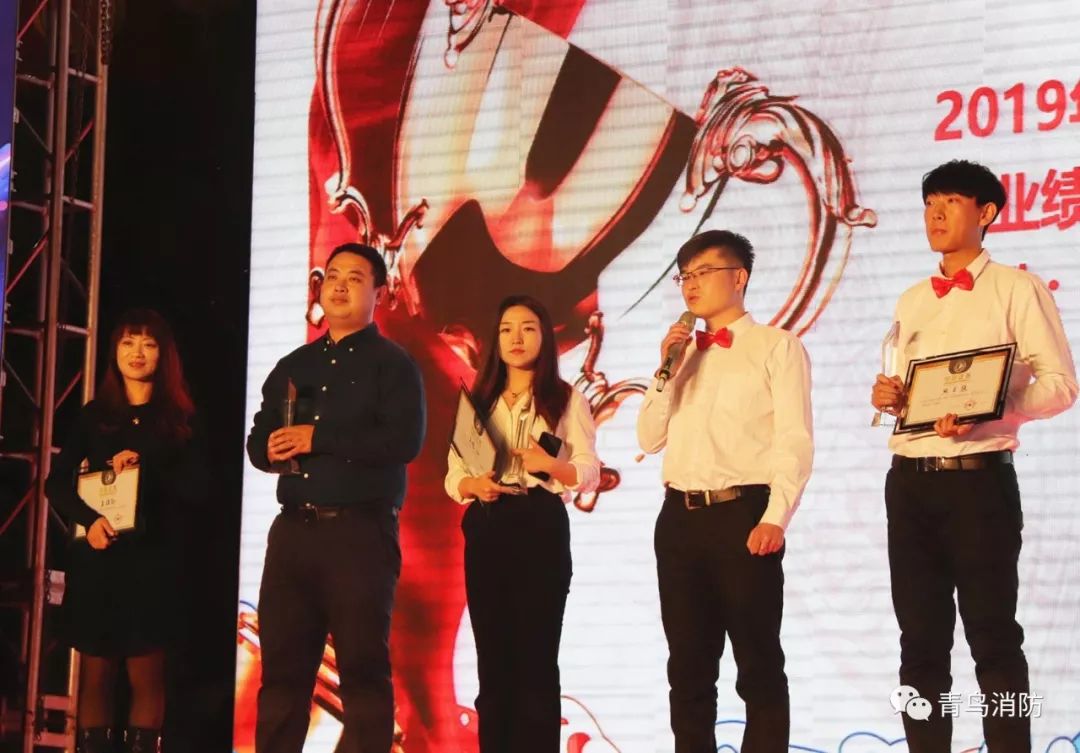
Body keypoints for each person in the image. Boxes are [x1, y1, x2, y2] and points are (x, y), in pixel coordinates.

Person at [870, 160, 1077, 752]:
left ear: (986, 213)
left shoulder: (1016, 288)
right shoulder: (913, 298)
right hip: (909, 481)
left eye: (950, 202)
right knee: (919, 642)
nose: (935, 214)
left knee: (994, 637)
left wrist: (990, 413)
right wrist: (890, 396)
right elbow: (912, 392)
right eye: (929, 203)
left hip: (978, 482)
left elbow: (1061, 385)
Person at [636, 230, 813, 753]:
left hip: (744, 515)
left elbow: (794, 440)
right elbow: (648, 438)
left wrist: (776, 516)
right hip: (679, 519)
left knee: (758, 663)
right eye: (684, 276)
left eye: (703, 272)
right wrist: (666, 369)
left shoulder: (777, 346)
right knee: (688, 668)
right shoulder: (682, 355)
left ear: (739, 277)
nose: (690, 284)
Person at [247, 242, 426, 753]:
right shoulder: (293, 365)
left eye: (355, 277)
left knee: (362, 673)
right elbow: (258, 441)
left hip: (360, 533)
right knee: (282, 674)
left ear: (380, 294)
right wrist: (268, 448)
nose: (340, 286)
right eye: (332, 276)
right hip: (293, 534)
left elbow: (403, 442)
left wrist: (318, 437)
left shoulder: (393, 365)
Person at [444, 294, 600, 753]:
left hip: (539, 524)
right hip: (488, 524)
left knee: (536, 665)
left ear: (545, 338)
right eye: (507, 329)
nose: (516, 337)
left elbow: (589, 469)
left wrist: (551, 466)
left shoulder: (566, 399)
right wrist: (473, 485)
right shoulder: (479, 400)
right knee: (493, 666)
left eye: (528, 328)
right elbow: (453, 474)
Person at [46, 309, 206, 753]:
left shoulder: (180, 419)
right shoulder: (95, 416)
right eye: (127, 342)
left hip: (153, 565)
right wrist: (89, 520)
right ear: (114, 351)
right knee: (96, 676)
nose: (137, 353)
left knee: (146, 675)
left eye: (148, 344)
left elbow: (200, 487)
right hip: (98, 561)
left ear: (164, 355)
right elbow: (56, 483)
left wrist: (146, 464)